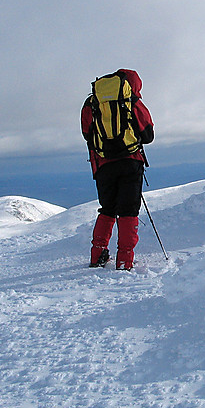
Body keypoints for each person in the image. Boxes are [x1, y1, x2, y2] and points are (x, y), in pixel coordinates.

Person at [80, 69, 154, 270]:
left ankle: (97, 255)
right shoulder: (132, 101)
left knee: (107, 209)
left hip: (103, 165)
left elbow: (87, 133)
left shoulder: (92, 103)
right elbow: (148, 135)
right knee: (128, 211)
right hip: (131, 162)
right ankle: (124, 261)